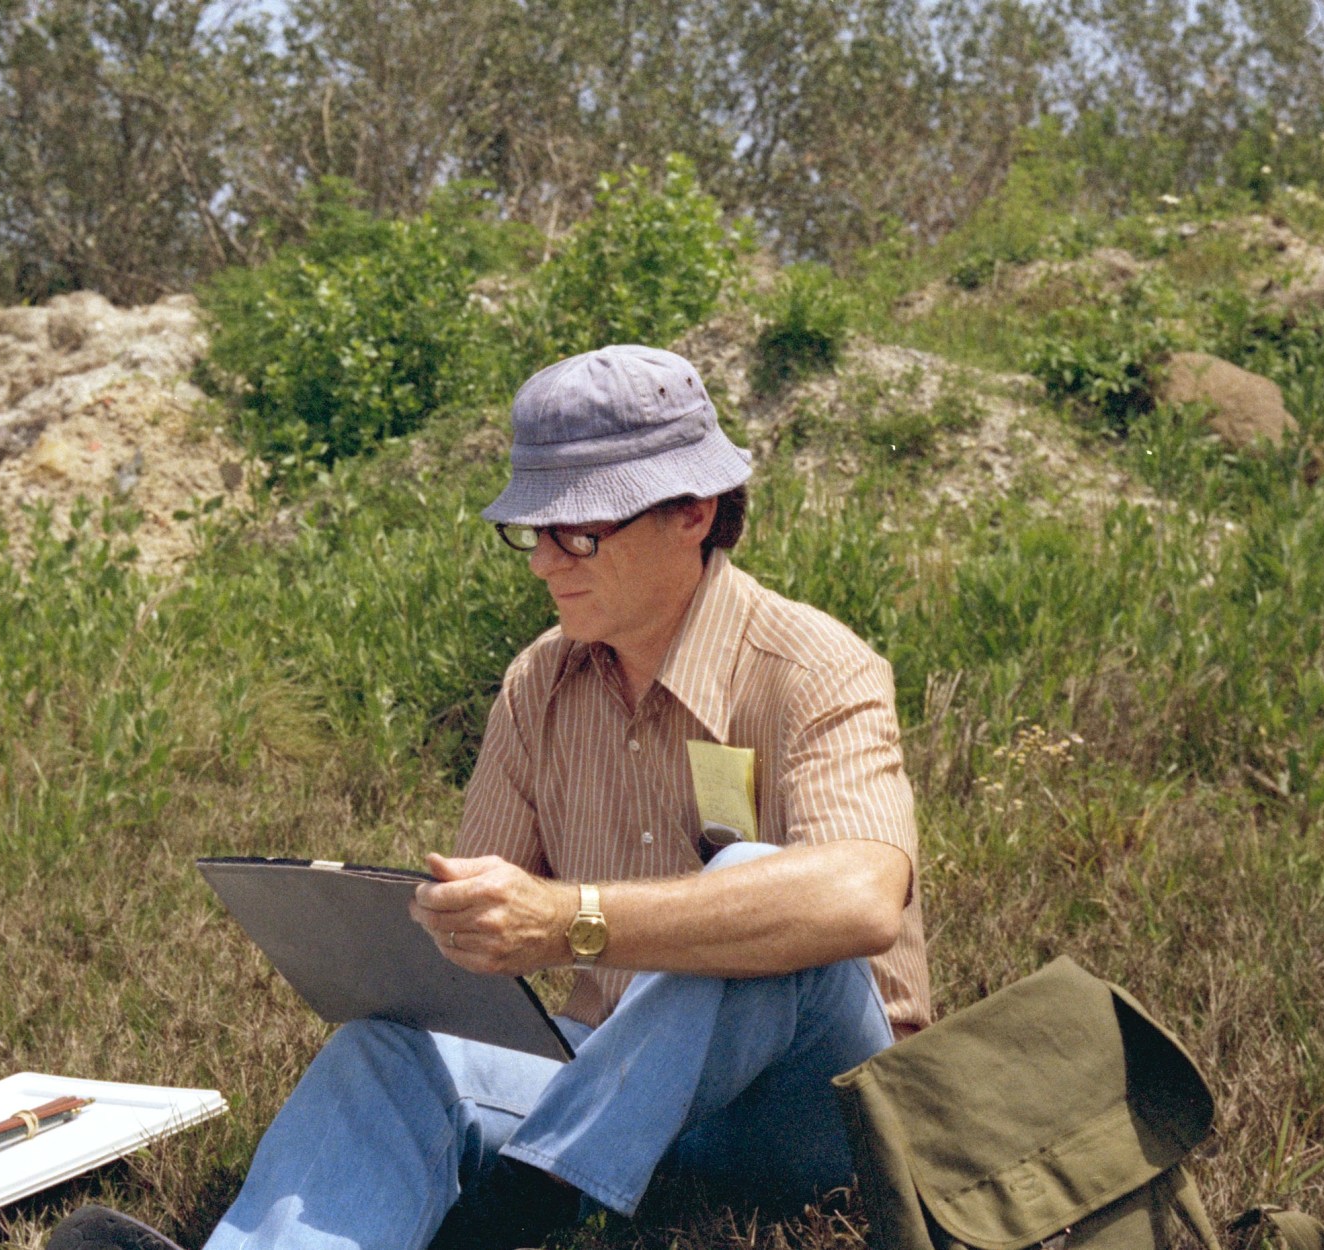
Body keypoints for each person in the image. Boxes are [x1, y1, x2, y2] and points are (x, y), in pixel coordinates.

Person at [51, 345, 930, 1250]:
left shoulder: (815, 668)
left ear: (692, 514)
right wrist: (437, 927)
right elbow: (482, 963)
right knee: (384, 1051)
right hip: (602, 1083)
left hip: (810, 1111)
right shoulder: (537, 682)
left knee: (758, 886)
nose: (546, 563)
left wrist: (571, 920)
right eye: (531, 532)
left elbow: (859, 902)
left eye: (578, 533)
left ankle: (517, 1206)